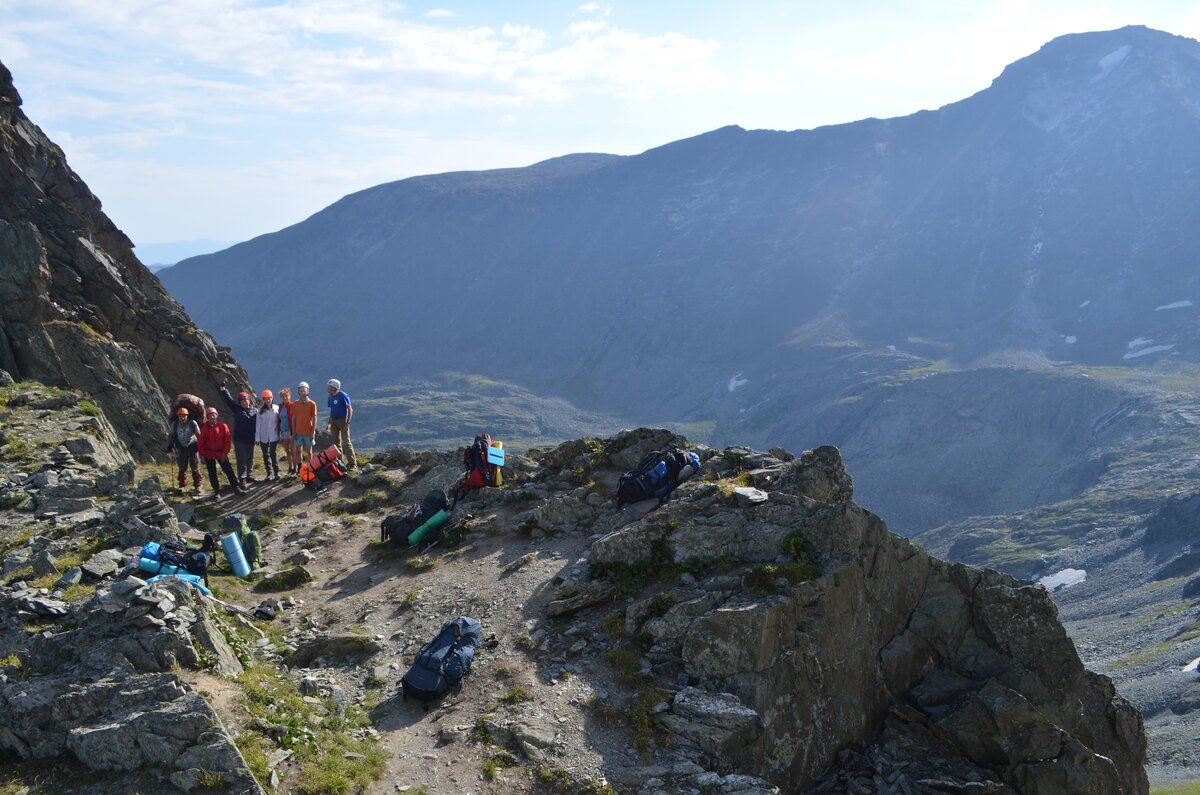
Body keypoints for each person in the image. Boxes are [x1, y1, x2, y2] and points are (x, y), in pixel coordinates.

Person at [219, 382, 259, 488]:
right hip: (239, 439)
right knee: (241, 459)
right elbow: (229, 400)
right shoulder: (237, 409)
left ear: (249, 401)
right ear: (240, 402)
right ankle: (242, 479)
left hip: (251, 438)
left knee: (250, 458)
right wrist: (223, 390)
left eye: (245, 400)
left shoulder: (256, 411)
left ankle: (249, 475)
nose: (244, 402)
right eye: (242, 401)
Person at [198, 406, 243, 497]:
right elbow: (201, 443)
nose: (212, 417)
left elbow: (227, 441)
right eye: (210, 415)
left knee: (228, 470)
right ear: (207, 417)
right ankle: (216, 491)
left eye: (213, 415)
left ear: (216, 415)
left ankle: (236, 487)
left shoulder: (223, 426)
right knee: (212, 473)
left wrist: (224, 453)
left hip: (221, 453)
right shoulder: (204, 429)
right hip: (209, 454)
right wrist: (202, 456)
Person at [166, 406, 203, 496]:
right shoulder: (175, 424)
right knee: (182, 467)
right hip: (181, 447)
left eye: (184, 415)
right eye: (180, 416)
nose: (182, 417)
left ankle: (197, 486)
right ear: (178, 416)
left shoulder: (192, 423)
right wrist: (170, 446)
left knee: (195, 466)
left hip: (192, 446)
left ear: (187, 415)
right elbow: (171, 435)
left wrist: (200, 445)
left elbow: (198, 434)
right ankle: (182, 486)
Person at [325, 378, 356, 469]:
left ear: (334, 387)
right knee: (336, 443)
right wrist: (329, 424)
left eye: (329, 387)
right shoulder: (330, 397)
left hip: (343, 420)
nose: (327, 388)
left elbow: (350, 409)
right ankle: (340, 464)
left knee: (346, 442)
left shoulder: (343, 395)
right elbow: (332, 411)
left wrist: (347, 423)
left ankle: (352, 464)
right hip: (334, 421)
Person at [256, 389, 281, 481]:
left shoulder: (277, 409)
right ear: (263, 399)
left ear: (272, 398)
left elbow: (280, 422)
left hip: (274, 436)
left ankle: (276, 472)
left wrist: (280, 435)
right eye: (266, 399)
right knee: (265, 455)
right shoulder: (260, 411)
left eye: (269, 398)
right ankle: (269, 473)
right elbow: (258, 425)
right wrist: (257, 438)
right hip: (263, 436)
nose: (268, 400)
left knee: (272, 454)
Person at [292, 381, 318, 467]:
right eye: (301, 391)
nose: (302, 392)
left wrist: (313, 432)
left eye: (304, 390)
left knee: (309, 451)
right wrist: (294, 432)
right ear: (298, 392)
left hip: (308, 432)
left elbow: (314, 418)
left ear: (307, 391)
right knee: (298, 451)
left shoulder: (312, 404)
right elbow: (293, 418)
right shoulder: (295, 403)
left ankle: (310, 468)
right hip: (298, 432)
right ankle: (300, 468)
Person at [277, 386, 297, 475]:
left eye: (286, 396)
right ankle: (290, 467)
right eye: (283, 396)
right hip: (283, 431)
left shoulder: (292, 406)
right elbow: (279, 419)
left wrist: (295, 432)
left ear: (289, 396)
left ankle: (295, 468)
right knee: (287, 451)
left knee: (293, 451)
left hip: (291, 431)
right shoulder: (280, 407)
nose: (284, 398)